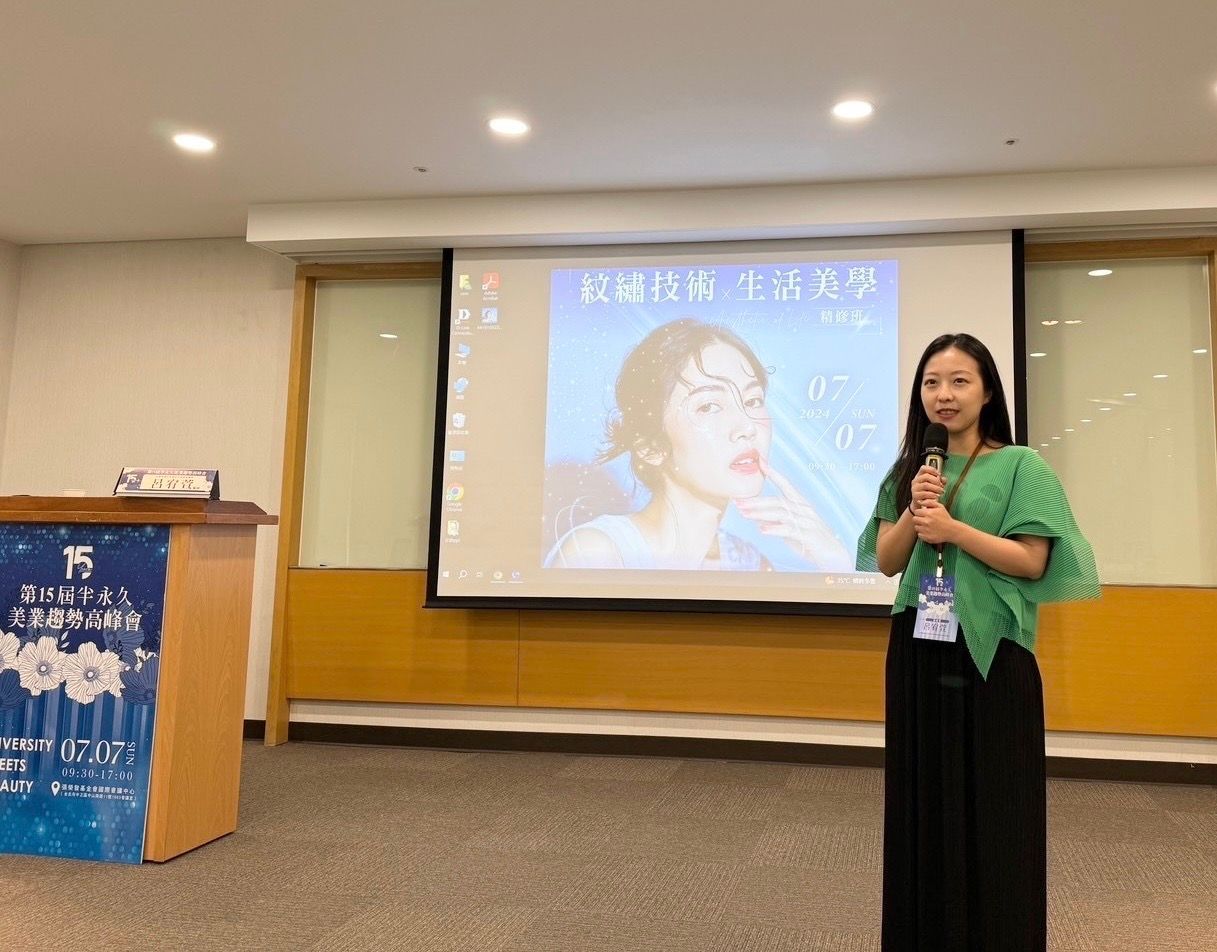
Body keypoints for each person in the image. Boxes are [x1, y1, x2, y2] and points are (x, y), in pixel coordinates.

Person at [856, 333, 1100, 951]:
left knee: (997, 805)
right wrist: (916, 509)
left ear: (988, 390)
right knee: (921, 802)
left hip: (994, 655)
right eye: (932, 382)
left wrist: (954, 529)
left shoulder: (1021, 466)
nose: (944, 394)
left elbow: (1033, 561)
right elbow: (887, 561)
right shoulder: (911, 470)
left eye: (960, 381)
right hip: (918, 645)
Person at [546, 317, 852, 571]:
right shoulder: (597, 554)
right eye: (709, 406)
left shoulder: (750, 565)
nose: (747, 427)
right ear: (649, 446)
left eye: (752, 400)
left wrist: (834, 561)